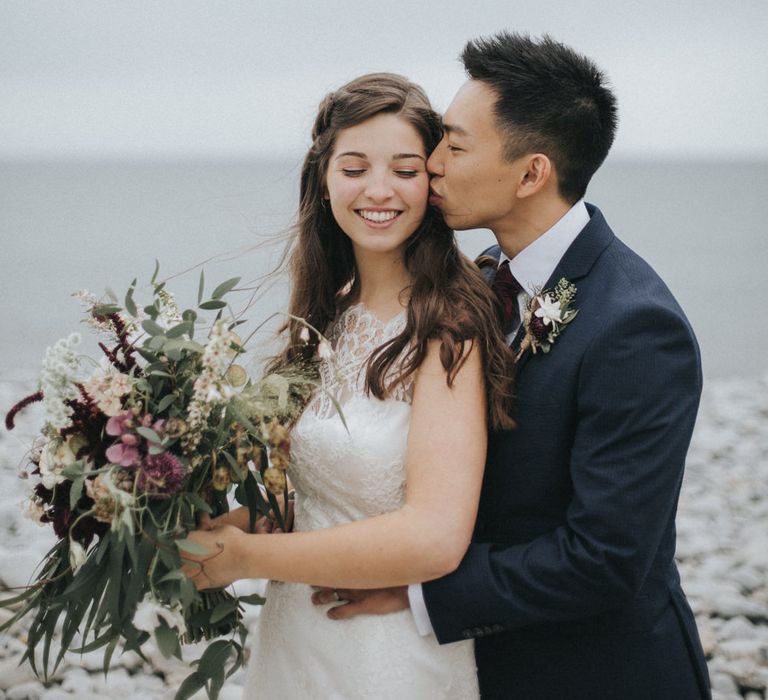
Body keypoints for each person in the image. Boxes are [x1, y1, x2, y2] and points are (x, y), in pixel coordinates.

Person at [312, 33, 712, 699]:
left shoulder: (636, 328)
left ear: (531, 174)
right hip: (478, 668)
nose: (431, 163)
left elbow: (605, 561)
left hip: (593, 676)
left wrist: (418, 592)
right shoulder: (482, 279)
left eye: (455, 146)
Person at [182, 73, 516, 698]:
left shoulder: (449, 326)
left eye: (406, 169)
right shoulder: (325, 315)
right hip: (298, 638)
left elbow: (434, 538)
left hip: (386, 654)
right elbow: (310, 496)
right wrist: (199, 532)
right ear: (324, 178)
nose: (379, 190)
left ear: (432, 182)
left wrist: (249, 561)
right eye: (355, 167)